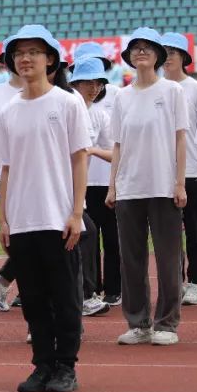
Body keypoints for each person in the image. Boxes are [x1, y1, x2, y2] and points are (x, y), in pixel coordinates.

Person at [0, 25, 90, 392]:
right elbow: (4, 168)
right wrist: (3, 218)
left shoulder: (68, 103)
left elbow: (79, 159)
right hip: (21, 219)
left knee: (64, 296)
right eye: (20, 53)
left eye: (34, 52)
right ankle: (42, 364)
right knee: (33, 299)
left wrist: (77, 212)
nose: (26, 59)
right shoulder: (8, 111)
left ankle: (66, 365)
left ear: (50, 59)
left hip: (58, 217)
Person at [106, 27, 188, 347]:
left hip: (164, 186)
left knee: (168, 258)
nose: (141, 52)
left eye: (147, 48)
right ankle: (138, 322)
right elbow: (117, 145)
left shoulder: (172, 92)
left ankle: (167, 322)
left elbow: (181, 139)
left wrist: (180, 182)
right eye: (135, 48)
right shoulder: (122, 96)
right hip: (130, 188)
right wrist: (113, 185)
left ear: (157, 56)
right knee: (132, 260)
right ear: (128, 56)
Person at [160, 32, 197, 307]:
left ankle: (195, 282)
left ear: (184, 58)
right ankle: (174, 282)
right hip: (162, 172)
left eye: (173, 52)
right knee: (168, 233)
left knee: (194, 230)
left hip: (191, 170)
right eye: (164, 52)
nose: (167, 58)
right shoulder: (155, 88)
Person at [72, 42, 121, 307]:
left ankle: (86, 295)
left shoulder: (99, 113)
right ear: (75, 82)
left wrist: (91, 150)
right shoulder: (65, 105)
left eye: (99, 83)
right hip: (62, 188)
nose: (95, 88)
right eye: (88, 82)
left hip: (86, 188)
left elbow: (116, 151)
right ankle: (83, 295)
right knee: (82, 236)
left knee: (90, 235)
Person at [0, 44, 25, 311]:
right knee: (14, 231)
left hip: (35, 171)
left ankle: (5, 279)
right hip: (5, 170)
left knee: (36, 231)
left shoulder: (43, 90)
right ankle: (14, 281)